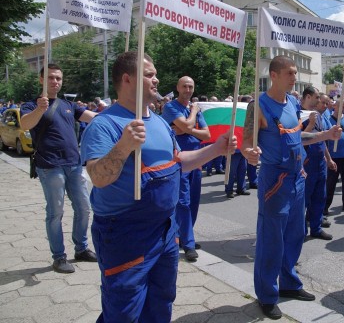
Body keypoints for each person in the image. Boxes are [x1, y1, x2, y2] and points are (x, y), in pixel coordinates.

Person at [80, 51, 236, 322]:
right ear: (128, 79)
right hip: (125, 234)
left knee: (161, 302)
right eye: (149, 74)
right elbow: (98, 177)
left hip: (164, 231)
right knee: (124, 311)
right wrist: (124, 146)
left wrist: (216, 149)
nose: (157, 79)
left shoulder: (160, 123)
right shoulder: (104, 124)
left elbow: (180, 163)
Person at [241, 56, 341, 320]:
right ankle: (266, 295)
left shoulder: (293, 103)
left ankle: (288, 283)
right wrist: (249, 153)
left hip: (298, 177)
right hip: (275, 182)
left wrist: (325, 136)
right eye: (290, 73)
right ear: (274, 75)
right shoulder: (258, 106)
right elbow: (246, 142)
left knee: (295, 235)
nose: (294, 77)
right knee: (271, 240)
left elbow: (298, 137)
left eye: (295, 73)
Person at [21, 63, 98, 274]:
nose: (55, 82)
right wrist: (40, 108)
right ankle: (59, 256)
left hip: (73, 164)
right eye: (51, 78)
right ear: (41, 80)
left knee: (83, 208)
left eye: (58, 79)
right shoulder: (30, 105)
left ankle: (81, 248)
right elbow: (26, 124)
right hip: (50, 166)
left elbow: (93, 117)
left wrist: (118, 116)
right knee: (55, 212)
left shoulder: (68, 105)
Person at [161, 76, 211, 261]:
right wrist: (193, 116)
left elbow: (206, 134)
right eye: (184, 86)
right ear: (178, 88)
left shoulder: (192, 109)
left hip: (196, 159)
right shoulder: (171, 107)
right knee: (183, 202)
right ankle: (189, 244)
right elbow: (188, 124)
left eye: (191, 86)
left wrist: (186, 128)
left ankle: (184, 236)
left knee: (194, 201)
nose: (188, 90)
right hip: (180, 160)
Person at [302, 88, 335, 240]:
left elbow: (322, 139)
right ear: (308, 97)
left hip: (320, 162)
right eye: (318, 99)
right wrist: (310, 124)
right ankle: (300, 231)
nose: (322, 104)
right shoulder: (300, 115)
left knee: (319, 197)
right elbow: (298, 139)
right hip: (306, 162)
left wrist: (328, 159)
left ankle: (316, 227)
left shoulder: (319, 117)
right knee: (303, 199)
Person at [325, 99, 344, 214]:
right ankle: (325, 206)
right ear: (335, 106)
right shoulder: (328, 120)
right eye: (340, 106)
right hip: (334, 157)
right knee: (331, 183)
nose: (343, 108)